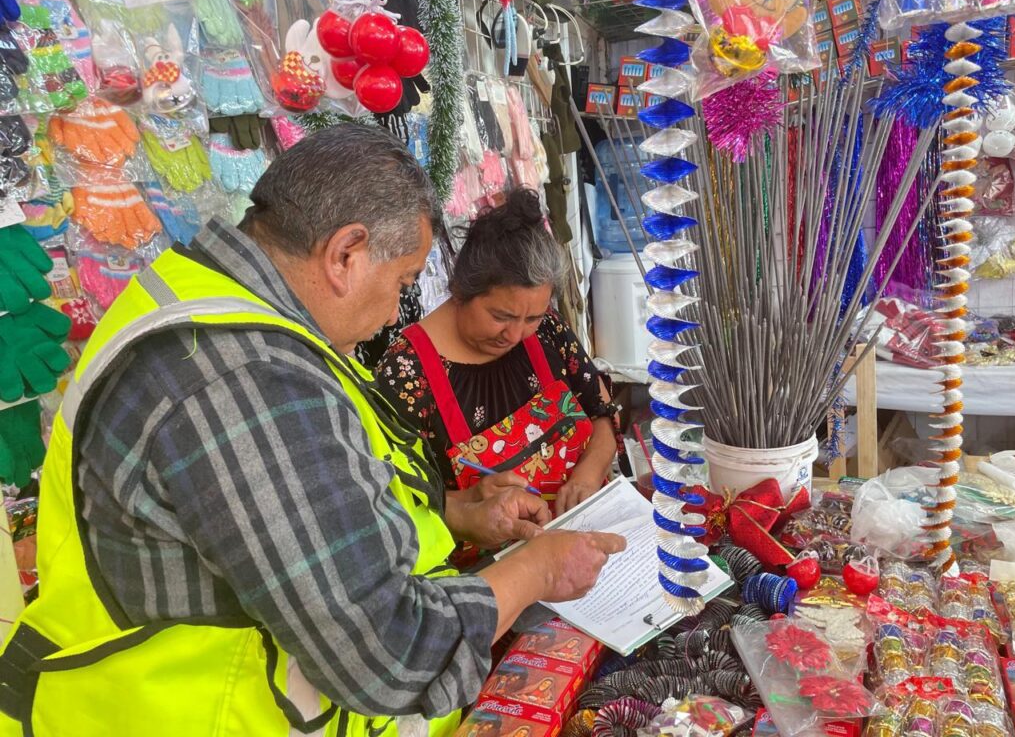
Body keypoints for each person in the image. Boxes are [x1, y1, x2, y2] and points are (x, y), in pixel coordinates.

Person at [0, 126, 625, 736]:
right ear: (345, 254)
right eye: (403, 283)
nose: (395, 312)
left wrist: (456, 511)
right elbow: (387, 650)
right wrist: (536, 571)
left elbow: (298, 514)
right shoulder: (246, 375)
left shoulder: (219, 309)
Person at [377, 188, 618, 520]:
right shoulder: (406, 372)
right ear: (461, 290)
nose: (516, 335)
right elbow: (400, 503)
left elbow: (603, 414)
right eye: (501, 316)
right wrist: (470, 507)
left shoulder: (547, 328)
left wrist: (587, 476)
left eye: (531, 318)